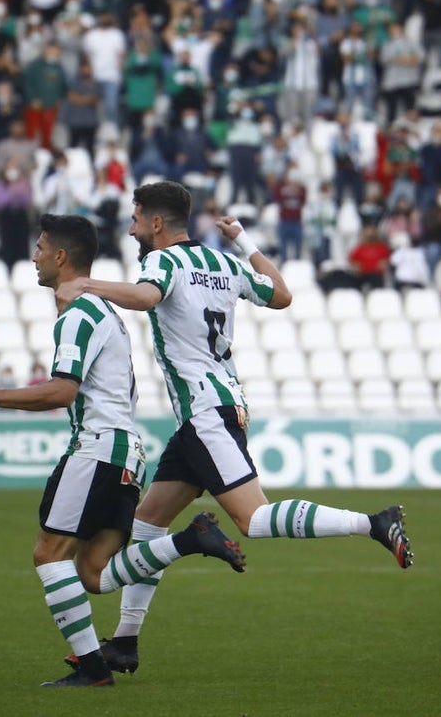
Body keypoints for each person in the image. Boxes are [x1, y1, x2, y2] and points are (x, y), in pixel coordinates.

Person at [53, 181, 412, 675]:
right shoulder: (224, 264)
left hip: (206, 413)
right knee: (146, 527)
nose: (132, 225)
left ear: (157, 223)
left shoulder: (163, 261)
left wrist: (87, 284)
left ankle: (372, 522)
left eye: (137, 217)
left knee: (254, 520)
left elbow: (144, 297)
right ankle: (125, 642)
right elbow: (282, 295)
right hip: (213, 412)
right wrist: (243, 240)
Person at [0, 214, 244, 687]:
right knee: (94, 572)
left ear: (61, 256)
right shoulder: (104, 312)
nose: (35, 255)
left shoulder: (81, 313)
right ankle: (189, 540)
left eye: (41, 247)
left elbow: (62, 391)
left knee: (49, 555)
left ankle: (92, 667)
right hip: (126, 452)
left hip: (97, 449)